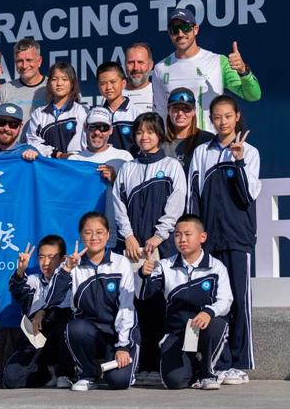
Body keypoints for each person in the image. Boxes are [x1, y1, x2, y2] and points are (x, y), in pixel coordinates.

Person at [187, 95, 261, 385]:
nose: (222, 122)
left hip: (237, 238)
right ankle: (221, 360)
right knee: (216, 302)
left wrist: (238, 160)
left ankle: (240, 363)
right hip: (210, 240)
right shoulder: (202, 152)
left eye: (227, 116)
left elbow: (247, 195)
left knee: (240, 301)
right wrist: (196, 235)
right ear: (211, 118)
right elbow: (194, 196)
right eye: (217, 117)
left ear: (237, 116)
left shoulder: (250, 152)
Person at [112, 112, 186, 385]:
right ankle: (139, 363)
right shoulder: (128, 168)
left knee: (159, 303)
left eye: (150, 132)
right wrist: (129, 237)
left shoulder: (171, 166)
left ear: (159, 135)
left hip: (161, 247)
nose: (145, 137)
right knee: (134, 304)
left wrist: (159, 236)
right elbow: (119, 205)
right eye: (140, 132)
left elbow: (177, 202)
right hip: (132, 248)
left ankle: (158, 365)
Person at [45, 212, 139, 392]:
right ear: (81, 235)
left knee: (119, 382)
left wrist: (123, 346)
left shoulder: (121, 263)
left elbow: (127, 308)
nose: (94, 237)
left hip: (117, 335)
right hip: (89, 333)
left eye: (99, 232)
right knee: (74, 327)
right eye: (88, 233)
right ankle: (87, 375)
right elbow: (52, 300)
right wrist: (66, 270)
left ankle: (122, 362)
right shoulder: (72, 265)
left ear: (108, 234)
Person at [138, 214, 233, 390]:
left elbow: (226, 301)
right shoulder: (164, 265)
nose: (182, 239)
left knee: (217, 324)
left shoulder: (216, 266)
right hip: (178, 333)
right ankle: (194, 368)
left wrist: (208, 312)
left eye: (188, 234)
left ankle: (208, 373)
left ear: (202, 237)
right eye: (177, 235)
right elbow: (144, 295)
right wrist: (144, 275)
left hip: (204, 328)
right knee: (174, 381)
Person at [153, 7, 261, 132]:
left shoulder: (218, 61)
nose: (181, 34)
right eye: (175, 30)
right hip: (176, 147)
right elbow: (160, 112)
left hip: (211, 146)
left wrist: (244, 71)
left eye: (186, 28)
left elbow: (253, 95)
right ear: (169, 34)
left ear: (195, 29)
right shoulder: (160, 68)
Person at [2, 236, 73, 389]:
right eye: (41, 257)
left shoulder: (70, 279)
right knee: (10, 379)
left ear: (62, 259)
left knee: (64, 318)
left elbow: (61, 304)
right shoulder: (33, 280)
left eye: (51, 257)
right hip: (35, 341)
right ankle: (46, 374)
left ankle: (65, 373)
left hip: (59, 340)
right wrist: (20, 270)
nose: (45, 263)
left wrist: (43, 312)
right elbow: (17, 289)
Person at [68, 108, 134, 234]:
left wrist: (115, 180)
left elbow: (134, 197)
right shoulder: (74, 160)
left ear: (111, 130)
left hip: (117, 232)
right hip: (84, 234)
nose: (98, 132)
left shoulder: (124, 158)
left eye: (103, 127)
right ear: (85, 128)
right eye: (93, 127)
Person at [26, 62, 87, 157]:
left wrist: (69, 157)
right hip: (46, 167)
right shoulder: (39, 113)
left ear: (72, 83)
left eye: (64, 79)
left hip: (73, 166)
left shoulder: (81, 111)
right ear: (49, 83)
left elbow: (80, 144)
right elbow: (32, 142)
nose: (59, 83)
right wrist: (55, 154)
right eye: (54, 79)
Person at [0, 37, 48, 136]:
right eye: (19, 61)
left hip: (47, 150)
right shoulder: (5, 90)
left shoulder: (52, 88)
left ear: (39, 61)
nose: (24, 65)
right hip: (11, 151)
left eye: (29, 60)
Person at [162, 87, 215, 175]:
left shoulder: (207, 140)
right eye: (175, 108)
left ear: (194, 111)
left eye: (186, 108)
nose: (180, 113)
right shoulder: (159, 143)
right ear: (168, 111)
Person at [96, 61, 146, 153]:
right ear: (98, 86)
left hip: (130, 166)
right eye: (103, 83)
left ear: (123, 83)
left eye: (113, 82)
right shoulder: (95, 116)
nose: (108, 87)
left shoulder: (137, 114)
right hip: (101, 167)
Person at [122, 42, 155, 112]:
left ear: (150, 65)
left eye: (140, 62)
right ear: (125, 65)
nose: (136, 68)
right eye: (131, 62)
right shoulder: (115, 94)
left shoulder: (158, 93)